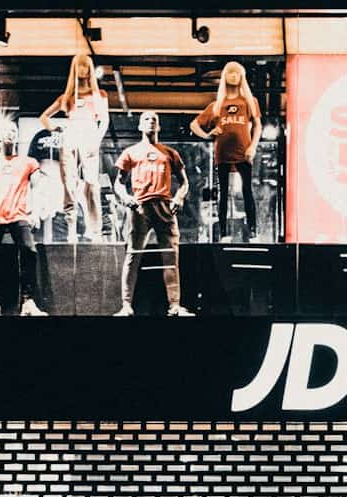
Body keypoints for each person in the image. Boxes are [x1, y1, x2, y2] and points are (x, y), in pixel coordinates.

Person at [113, 111, 194, 317]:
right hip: (140, 207)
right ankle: (126, 305)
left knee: (171, 256)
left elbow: (184, 182)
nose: (151, 122)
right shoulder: (131, 152)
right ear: (140, 126)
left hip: (164, 206)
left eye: (154, 120)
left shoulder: (169, 153)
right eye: (146, 119)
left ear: (158, 127)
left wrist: (178, 198)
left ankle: (174, 305)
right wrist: (126, 197)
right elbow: (118, 183)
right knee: (133, 255)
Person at [0, 120, 48, 317]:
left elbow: (38, 187)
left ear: (17, 136)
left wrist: (36, 210)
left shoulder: (29, 162)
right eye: (6, 130)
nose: (10, 134)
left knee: (29, 251)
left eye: (13, 130)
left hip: (18, 214)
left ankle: (28, 302)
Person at [39, 54, 109, 242]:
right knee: (68, 184)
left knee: (92, 184)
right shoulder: (67, 97)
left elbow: (105, 120)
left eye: (85, 66)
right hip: (71, 136)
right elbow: (44, 116)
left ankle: (95, 231)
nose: (82, 70)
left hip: (89, 136)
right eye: (79, 66)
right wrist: (55, 128)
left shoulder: (99, 95)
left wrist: (96, 140)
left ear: (90, 69)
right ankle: (71, 230)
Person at [190, 61, 262, 243]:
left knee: (247, 191)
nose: (233, 76)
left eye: (237, 73)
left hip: (243, 152)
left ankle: (253, 231)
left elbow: (258, 125)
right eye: (230, 72)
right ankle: (223, 233)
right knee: (222, 193)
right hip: (222, 154)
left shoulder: (249, 102)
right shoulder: (216, 105)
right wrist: (207, 134)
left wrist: (253, 146)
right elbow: (194, 124)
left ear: (241, 77)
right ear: (224, 76)